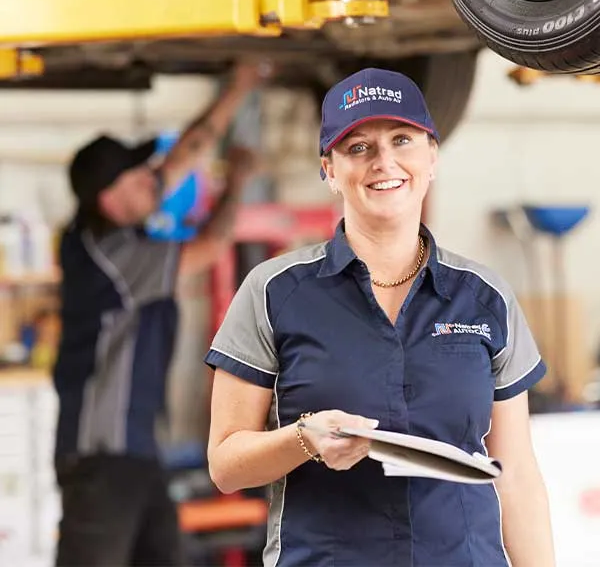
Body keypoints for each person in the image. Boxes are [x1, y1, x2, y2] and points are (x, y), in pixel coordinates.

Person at [206, 68, 555, 567]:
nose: (384, 162)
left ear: (431, 156)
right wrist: (304, 438)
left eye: (402, 139)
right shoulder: (273, 291)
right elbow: (225, 466)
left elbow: (516, 474)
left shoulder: (484, 297)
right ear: (328, 169)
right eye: (358, 147)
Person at [52, 60, 271, 567]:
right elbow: (210, 246)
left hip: (137, 452)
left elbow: (186, 153)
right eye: (140, 176)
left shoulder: (114, 230)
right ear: (111, 196)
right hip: (103, 455)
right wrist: (235, 182)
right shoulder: (110, 254)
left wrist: (237, 86)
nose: (155, 179)